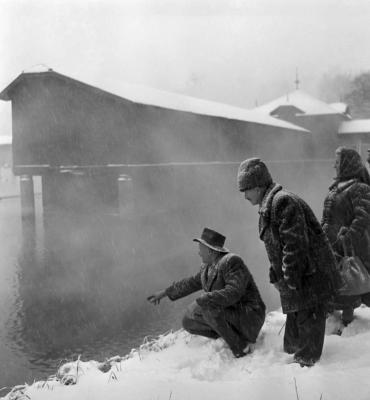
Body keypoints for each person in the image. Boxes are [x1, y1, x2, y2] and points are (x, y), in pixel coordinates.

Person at [237, 157, 337, 367]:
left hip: (310, 278)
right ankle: (292, 364)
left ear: (258, 186)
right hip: (299, 280)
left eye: (246, 189)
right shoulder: (269, 206)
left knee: (307, 348)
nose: (244, 195)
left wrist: (290, 279)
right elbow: (278, 247)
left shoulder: (283, 202)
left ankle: (304, 377)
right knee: (292, 342)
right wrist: (277, 275)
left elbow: (295, 246)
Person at [147, 227, 266, 358]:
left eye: (201, 249)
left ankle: (241, 348)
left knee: (207, 308)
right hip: (232, 314)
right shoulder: (207, 268)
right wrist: (164, 293)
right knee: (188, 320)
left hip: (250, 317)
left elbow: (234, 292)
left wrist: (208, 298)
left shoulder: (232, 262)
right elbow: (190, 283)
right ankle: (229, 336)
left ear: (210, 251)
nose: (199, 253)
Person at [321, 147, 370, 329]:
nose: (334, 164)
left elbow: (363, 217)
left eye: (338, 160)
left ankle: (349, 324)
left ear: (347, 163)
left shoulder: (360, 188)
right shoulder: (336, 188)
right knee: (337, 284)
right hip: (331, 245)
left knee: (352, 282)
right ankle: (337, 321)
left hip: (350, 247)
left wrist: (347, 238)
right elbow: (327, 217)